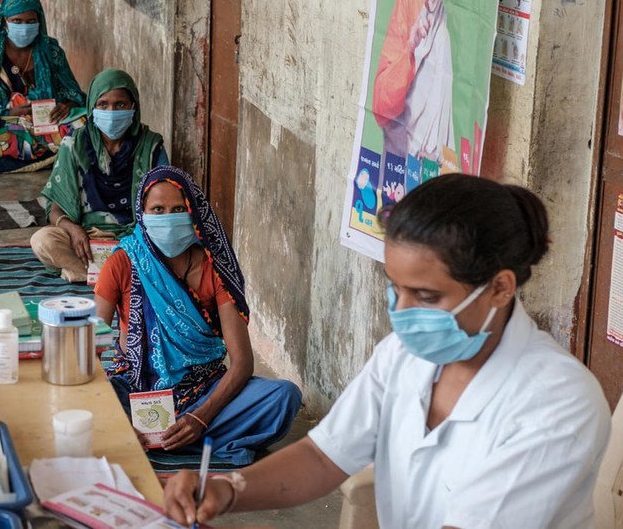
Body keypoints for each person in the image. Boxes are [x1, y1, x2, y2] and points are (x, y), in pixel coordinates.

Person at [162, 175, 611, 528]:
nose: (403, 312)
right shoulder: (404, 355)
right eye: (395, 289)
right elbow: (324, 456)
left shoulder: (556, 402)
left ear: (500, 287)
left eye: (427, 296)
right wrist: (227, 490)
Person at [96, 165, 302, 465]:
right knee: (91, 402)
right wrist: (115, 416)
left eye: (178, 208)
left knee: (284, 396)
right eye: (158, 209)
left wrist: (200, 417)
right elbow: (89, 347)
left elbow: (241, 363)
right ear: (142, 215)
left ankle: (170, 437)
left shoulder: (214, 268)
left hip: (203, 388)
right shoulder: (122, 262)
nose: (168, 218)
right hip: (137, 388)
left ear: (193, 211)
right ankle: (162, 436)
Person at [33, 69, 168, 282]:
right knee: (43, 241)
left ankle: (89, 274)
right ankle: (118, 277)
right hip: (86, 237)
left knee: (167, 241)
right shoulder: (73, 144)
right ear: (92, 108)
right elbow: (54, 207)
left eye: (120, 104)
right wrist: (73, 230)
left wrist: (140, 236)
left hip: (133, 236)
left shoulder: (150, 146)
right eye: (103, 104)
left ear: (133, 106)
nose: (111, 111)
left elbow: (165, 200)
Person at [0, 0, 86, 173]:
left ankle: (22, 153)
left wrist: (67, 106)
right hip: (5, 122)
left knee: (85, 124)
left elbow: (73, 92)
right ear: (4, 22)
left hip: (48, 121)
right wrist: (6, 113)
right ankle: (49, 153)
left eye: (31, 21)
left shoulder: (51, 51)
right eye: (17, 21)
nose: (24, 27)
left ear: (39, 21)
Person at [372, 0, 453, 204]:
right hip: (401, 160)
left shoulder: (445, 23)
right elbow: (382, 105)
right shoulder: (410, 6)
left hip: (432, 169)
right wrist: (411, 48)